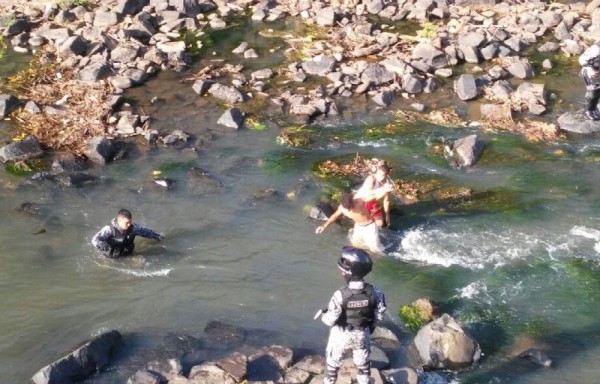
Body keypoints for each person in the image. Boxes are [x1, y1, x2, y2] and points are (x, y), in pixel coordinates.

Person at [316, 246, 387, 384]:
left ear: (348, 273)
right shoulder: (375, 292)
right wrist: (370, 326)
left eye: (342, 271)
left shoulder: (340, 294)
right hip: (362, 333)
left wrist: (323, 315)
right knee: (363, 364)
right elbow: (380, 313)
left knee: (332, 364)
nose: (341, 273)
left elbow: (330, 320)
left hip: (341, 335)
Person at [315, 192, 391, 254]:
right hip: (358, 227)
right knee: (355, 245)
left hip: (370, 227)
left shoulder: (359, 201)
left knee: (375, 250)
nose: (349, 209)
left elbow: (375, 196)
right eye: (347, 208)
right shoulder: (342, 208)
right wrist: (324, 226)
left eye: (350, 206)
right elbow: (334, 216)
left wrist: (385, 190)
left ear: (352, 200)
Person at [92, 209, 162, 258]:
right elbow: (94, 239)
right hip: (108, 257)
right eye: (127, 223)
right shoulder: (109, 229)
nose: (129, 224)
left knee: (140, 261)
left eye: (130, 222)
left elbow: (148, 233)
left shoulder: (133, 228)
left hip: (126, 255)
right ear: (119, 221)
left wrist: (158, 237)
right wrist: (99, 243)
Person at [354, 161, 394, 228]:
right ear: (377, 172)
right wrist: (383, 189)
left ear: (386, 175)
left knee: (380, 224)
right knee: (364, 222)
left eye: (382, 176)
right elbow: (368, 192)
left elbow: (386, 201)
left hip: (372, 202)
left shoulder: (387, 183)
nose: (379, 177)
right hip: (360, 201)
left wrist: (387, 215)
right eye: (378, 174)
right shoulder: (371, 178)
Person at [579, 43, 600, 121]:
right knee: (593, 93)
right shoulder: (596, 49)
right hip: (591, 73)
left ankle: (594, 107)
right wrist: (591, 69)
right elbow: (581, 59)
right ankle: (589, 110)